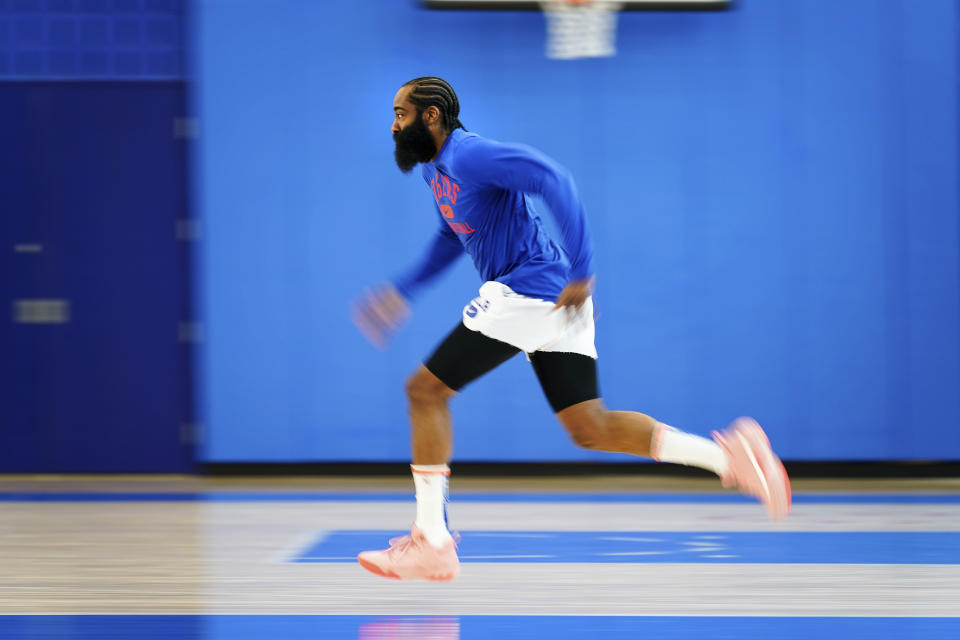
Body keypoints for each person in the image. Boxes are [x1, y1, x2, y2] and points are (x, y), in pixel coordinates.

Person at [352, 76, 790, 582]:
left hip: (531, 290)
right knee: (591, 428)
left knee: (425, 391)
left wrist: (583, 268)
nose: (393, 124)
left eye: (400, 113)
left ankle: (431, 540)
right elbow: (452, 236)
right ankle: (729, 458)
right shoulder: (437, 174)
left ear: (431, 116)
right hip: (553, 299)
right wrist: (403, 289)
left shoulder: (469, 154)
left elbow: (553, 177)